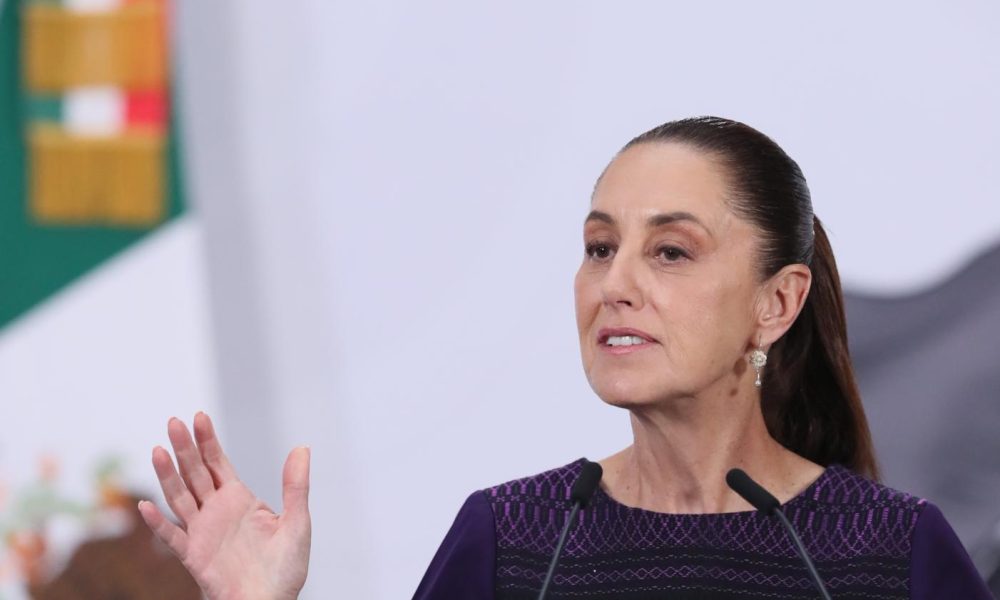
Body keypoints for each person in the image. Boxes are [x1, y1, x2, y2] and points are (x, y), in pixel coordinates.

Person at [139, 117, 992, 599]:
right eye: (597, 247)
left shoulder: (893, 550)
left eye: (670, 252)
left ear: (777, 302)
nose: (612, 285)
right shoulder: (509, 541)